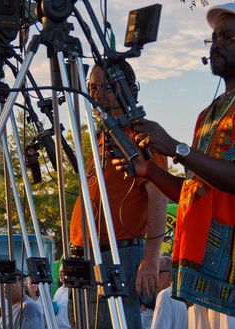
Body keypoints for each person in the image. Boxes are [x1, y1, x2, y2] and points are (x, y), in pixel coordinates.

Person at [114, 0, 235, 327]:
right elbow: (198, 193)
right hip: (208, 273)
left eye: (229, 37)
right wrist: (151, 173)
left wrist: (177, 148)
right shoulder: (209, 114)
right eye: (215, 38)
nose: (217, 43)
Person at [69, 59, 168, 329]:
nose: (96, 94)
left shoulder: (139, 135)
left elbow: (159, 196)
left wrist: (150, 260)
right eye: (91, 87)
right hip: (87, 257)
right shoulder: (102, 139)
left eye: (105, 87)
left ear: (126, 89)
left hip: (118, 255)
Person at [150, 256, 187, 329]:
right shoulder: (183, 294)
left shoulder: (165, 295)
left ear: (170, 275)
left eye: (158, 271)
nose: (153, 276)